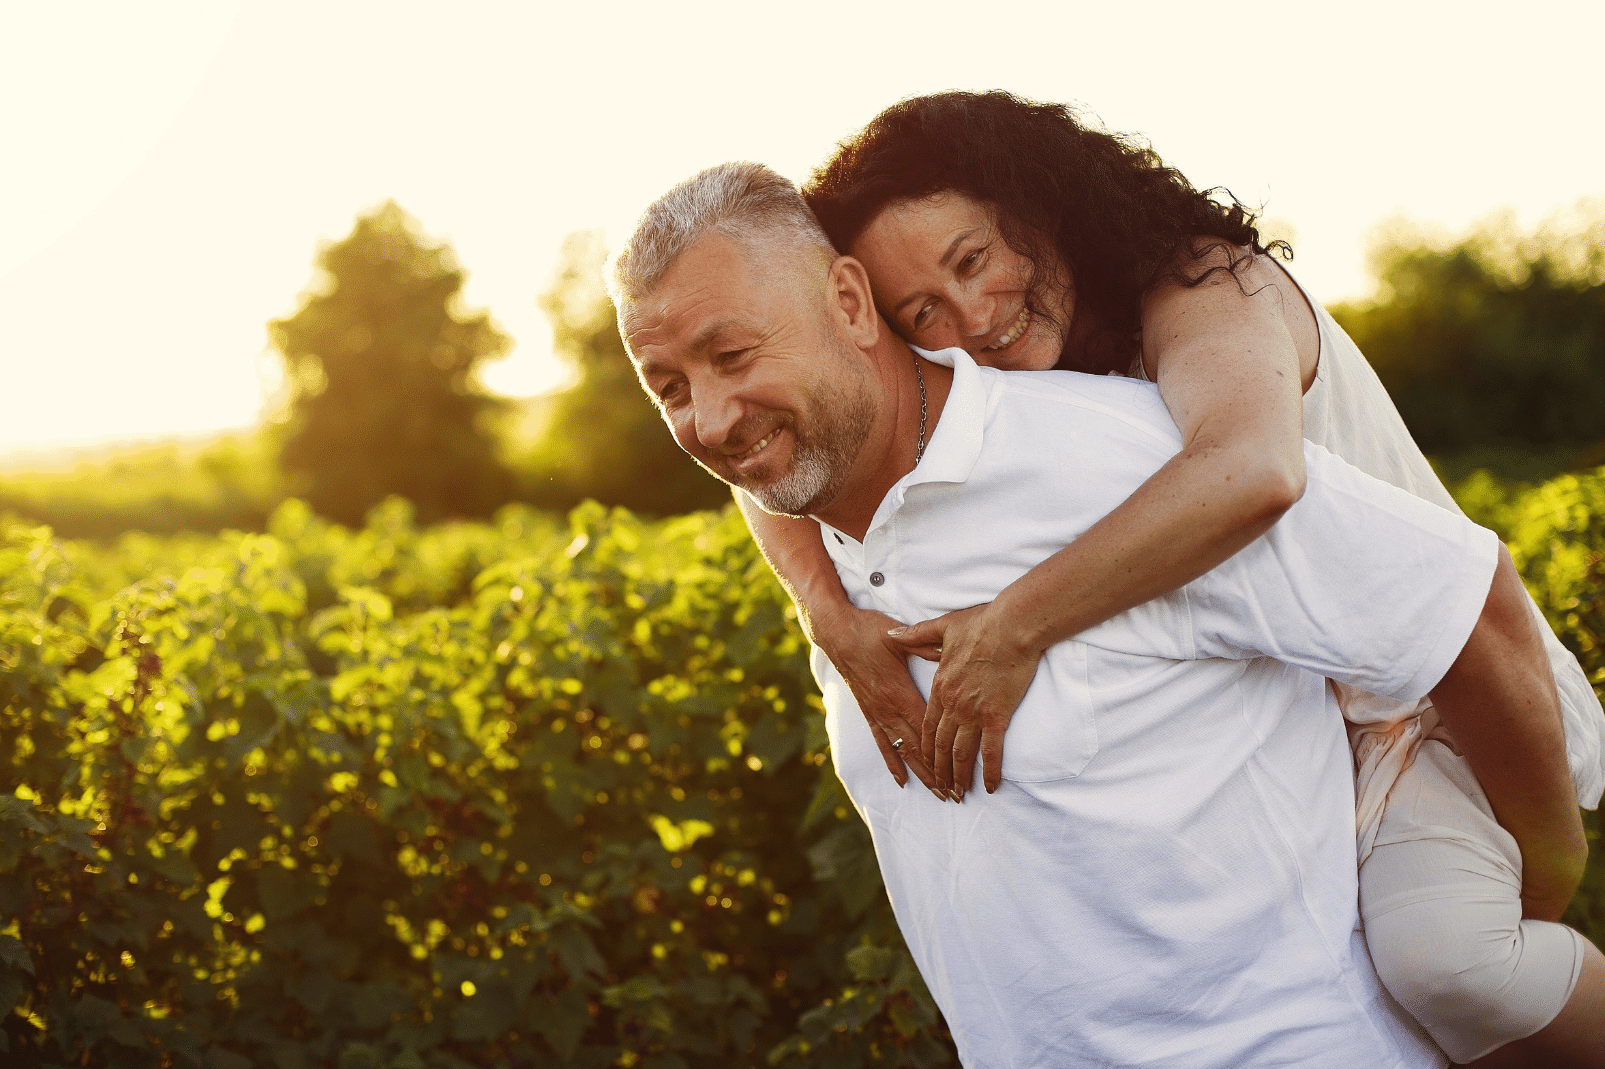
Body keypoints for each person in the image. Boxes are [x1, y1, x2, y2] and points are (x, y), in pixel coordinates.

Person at [609, 161, 1589, 1068]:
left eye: (732, 355)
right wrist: (822, 607)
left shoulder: (1141, 447)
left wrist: (1549, 868)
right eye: (669, 388)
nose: (710, 416)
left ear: (850, 303)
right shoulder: (824, 529)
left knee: (1457, 958)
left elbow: (1457, 598)